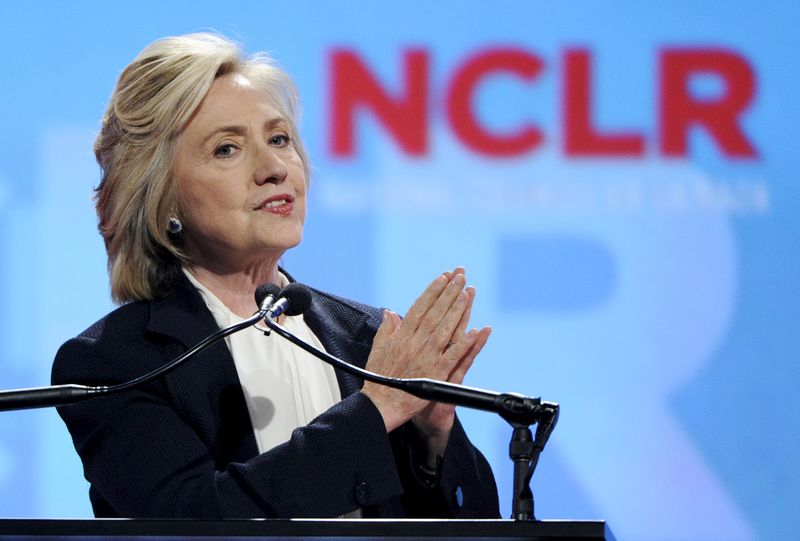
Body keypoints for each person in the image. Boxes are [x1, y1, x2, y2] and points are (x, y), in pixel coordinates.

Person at [51, 32, 499, 519]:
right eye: (227, 149)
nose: (273, 168)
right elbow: (191, 520)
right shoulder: (115, 362)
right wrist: (376, 412)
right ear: (163, 200)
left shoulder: (367, 341)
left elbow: (478, 526)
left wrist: (434, 436)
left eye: (279, 139)